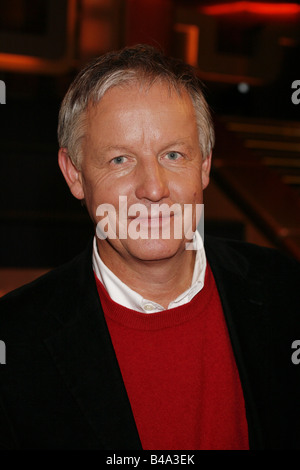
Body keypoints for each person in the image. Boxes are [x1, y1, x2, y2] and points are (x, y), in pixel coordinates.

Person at [0, 44, 299, 451]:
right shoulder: (15, 343)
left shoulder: (286, 291)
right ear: (74, 174)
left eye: (173, 154)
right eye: (120, 160)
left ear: (205, 165)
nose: (154, 189)